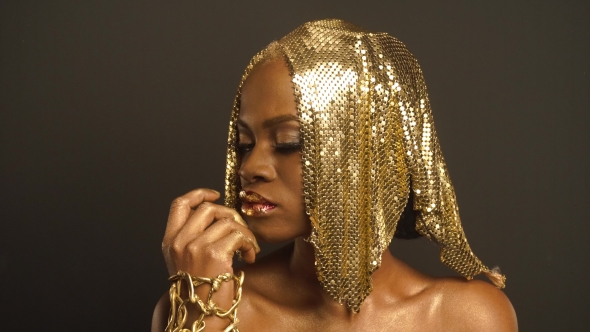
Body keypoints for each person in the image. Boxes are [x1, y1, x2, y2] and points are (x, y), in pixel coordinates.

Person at [152, 19, 517, 332]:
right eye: (244, 144)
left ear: (366, 153)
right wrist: (203, 311)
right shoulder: (205, 302)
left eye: (287, 142)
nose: (249, 168)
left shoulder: (467, 318)